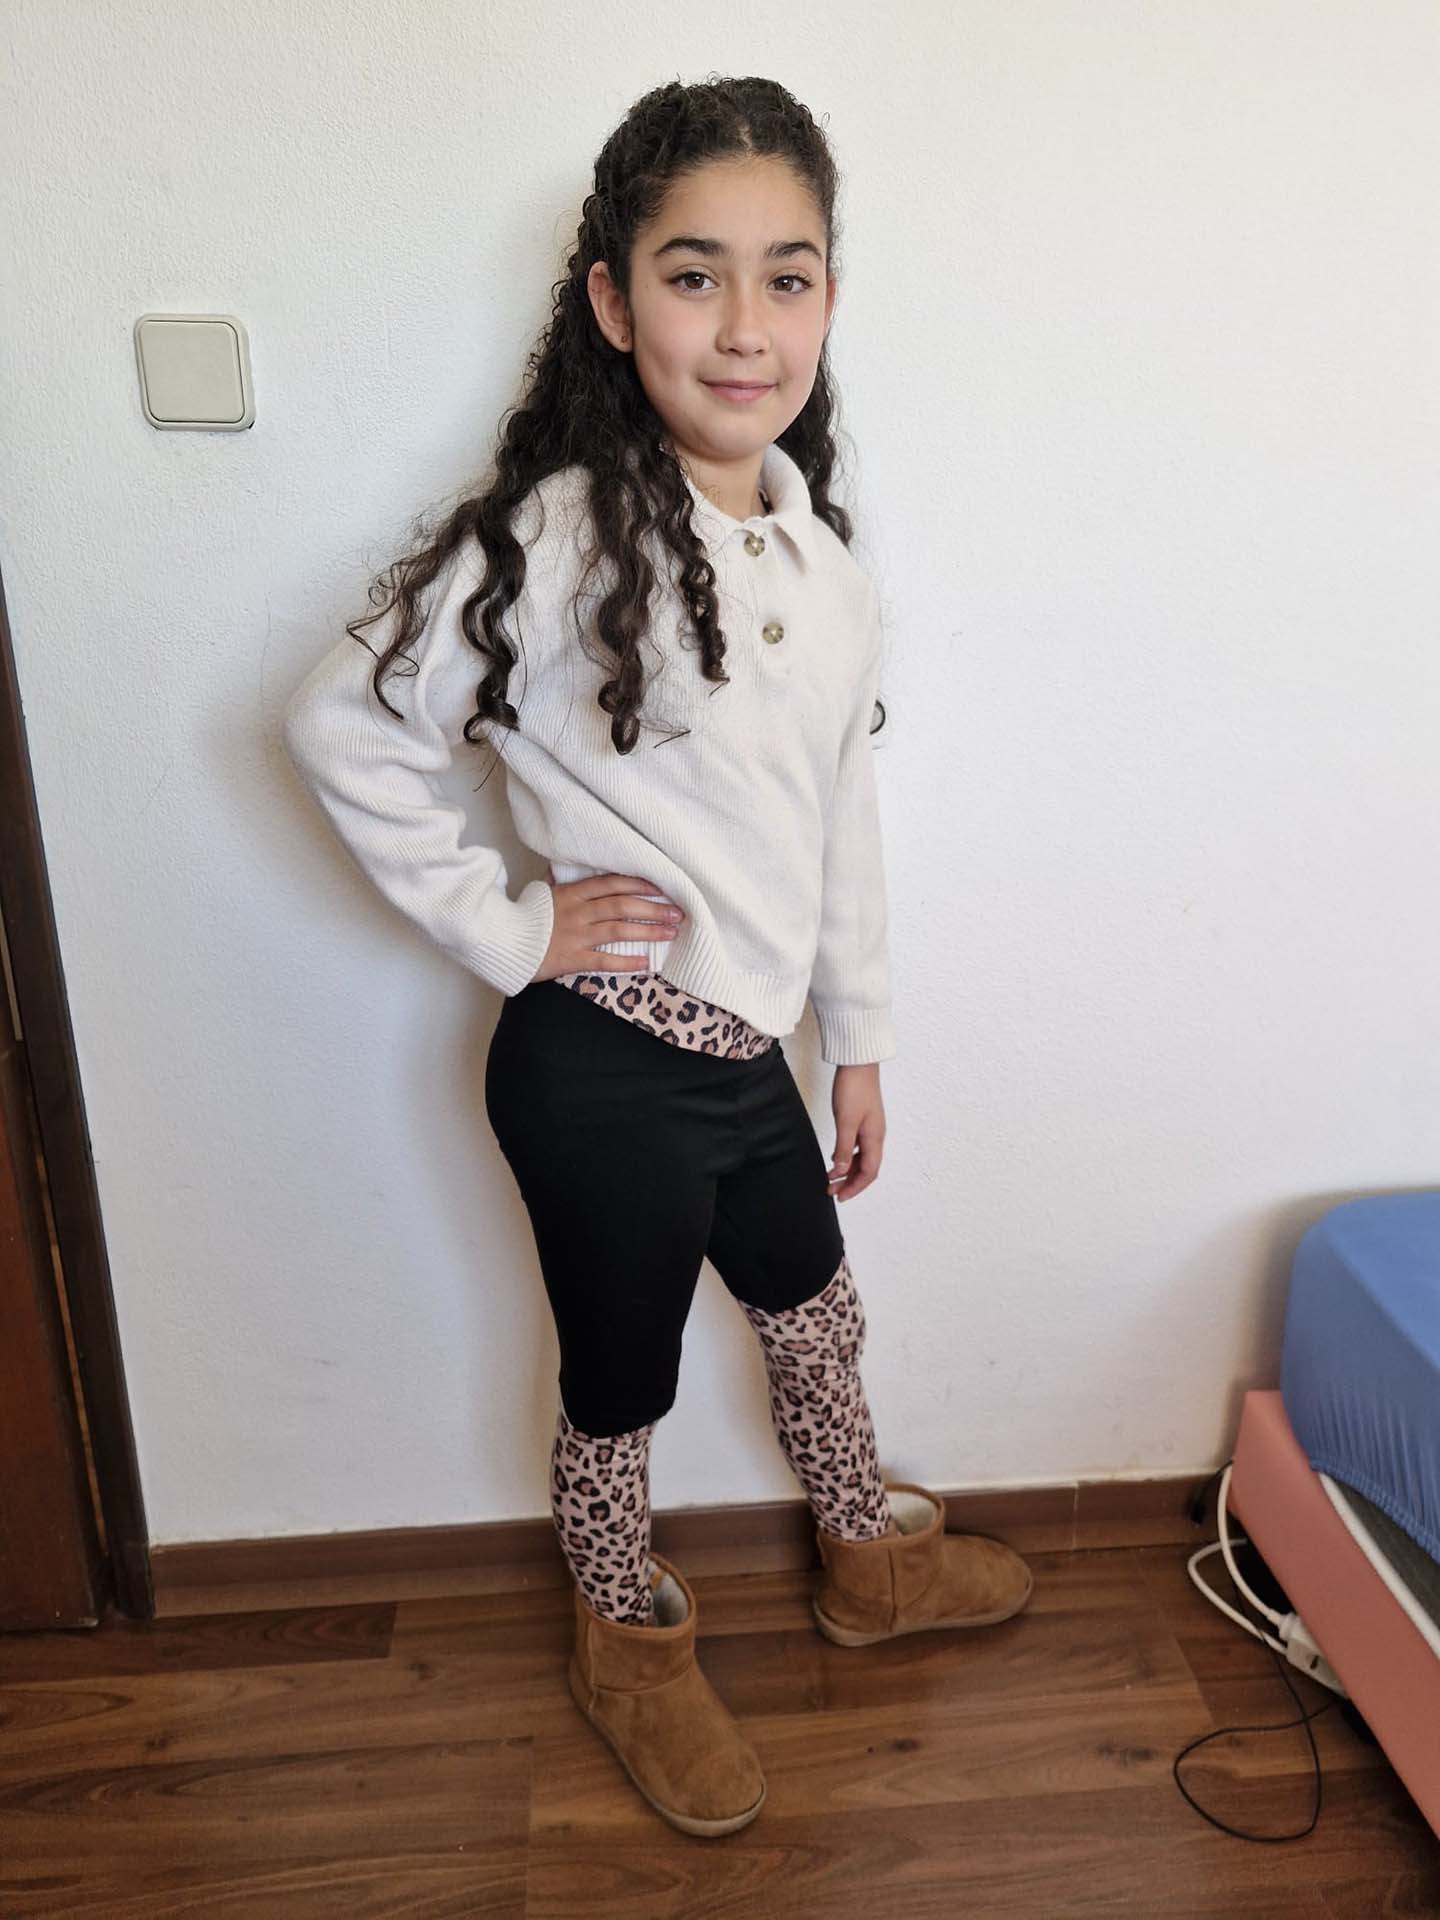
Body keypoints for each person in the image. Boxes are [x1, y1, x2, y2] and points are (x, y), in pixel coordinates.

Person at [283, 74, 1032, 1839]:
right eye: (696, 275)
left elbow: (837, 816)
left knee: (816, 1316)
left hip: (753, 1059)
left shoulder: (824, 564)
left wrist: (858, 1036)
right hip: (602, 1070)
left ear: (829, 298)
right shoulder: (554, 539)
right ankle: (626, 1641)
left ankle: (867, 1564)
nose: (746, 324)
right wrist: (511, 922)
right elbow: (338, 723)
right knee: (621, 1385)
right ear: (616, 305)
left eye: (790, 275)